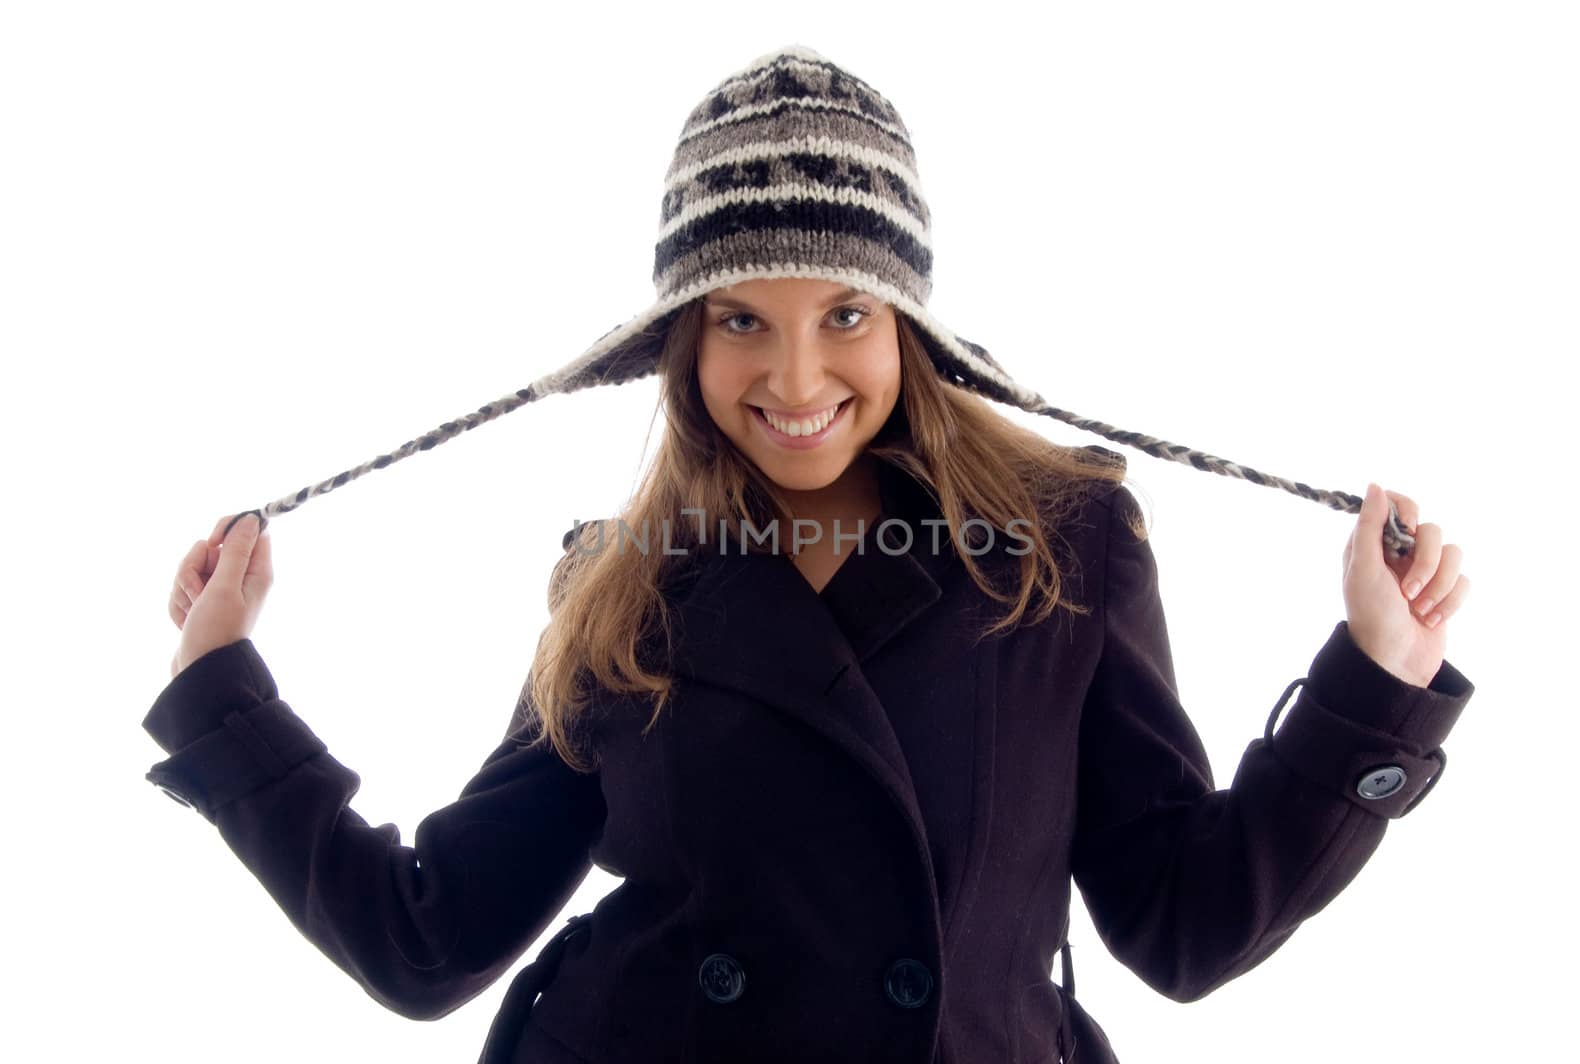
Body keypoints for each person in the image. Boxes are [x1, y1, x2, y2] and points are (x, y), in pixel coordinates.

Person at [145, 45, 1475, 1064]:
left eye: (845, 311)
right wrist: (223, 696)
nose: (794, 377)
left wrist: (1374, 677)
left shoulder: (1064, 548)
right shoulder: (621, 592)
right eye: (740, 318)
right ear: (685, 340)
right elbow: (428, 938)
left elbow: (1180, 925)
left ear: (907, 324)